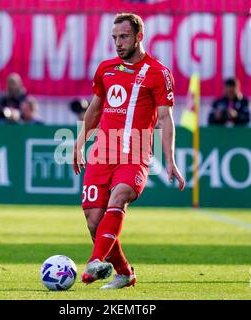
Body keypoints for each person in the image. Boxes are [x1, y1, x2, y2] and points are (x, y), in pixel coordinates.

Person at [73, 13, 185, 289]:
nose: (118, 43)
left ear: (139, 37)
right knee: (93, 222)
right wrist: (79, 142)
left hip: (134, 154)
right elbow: (95, 109)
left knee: (119, 196)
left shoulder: (159, 73)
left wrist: (170, 159)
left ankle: (93, 262)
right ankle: (124, 273)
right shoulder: (106, 69)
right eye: (114, 38)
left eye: (123, 37)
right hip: (102, 153)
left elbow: (165, 118)